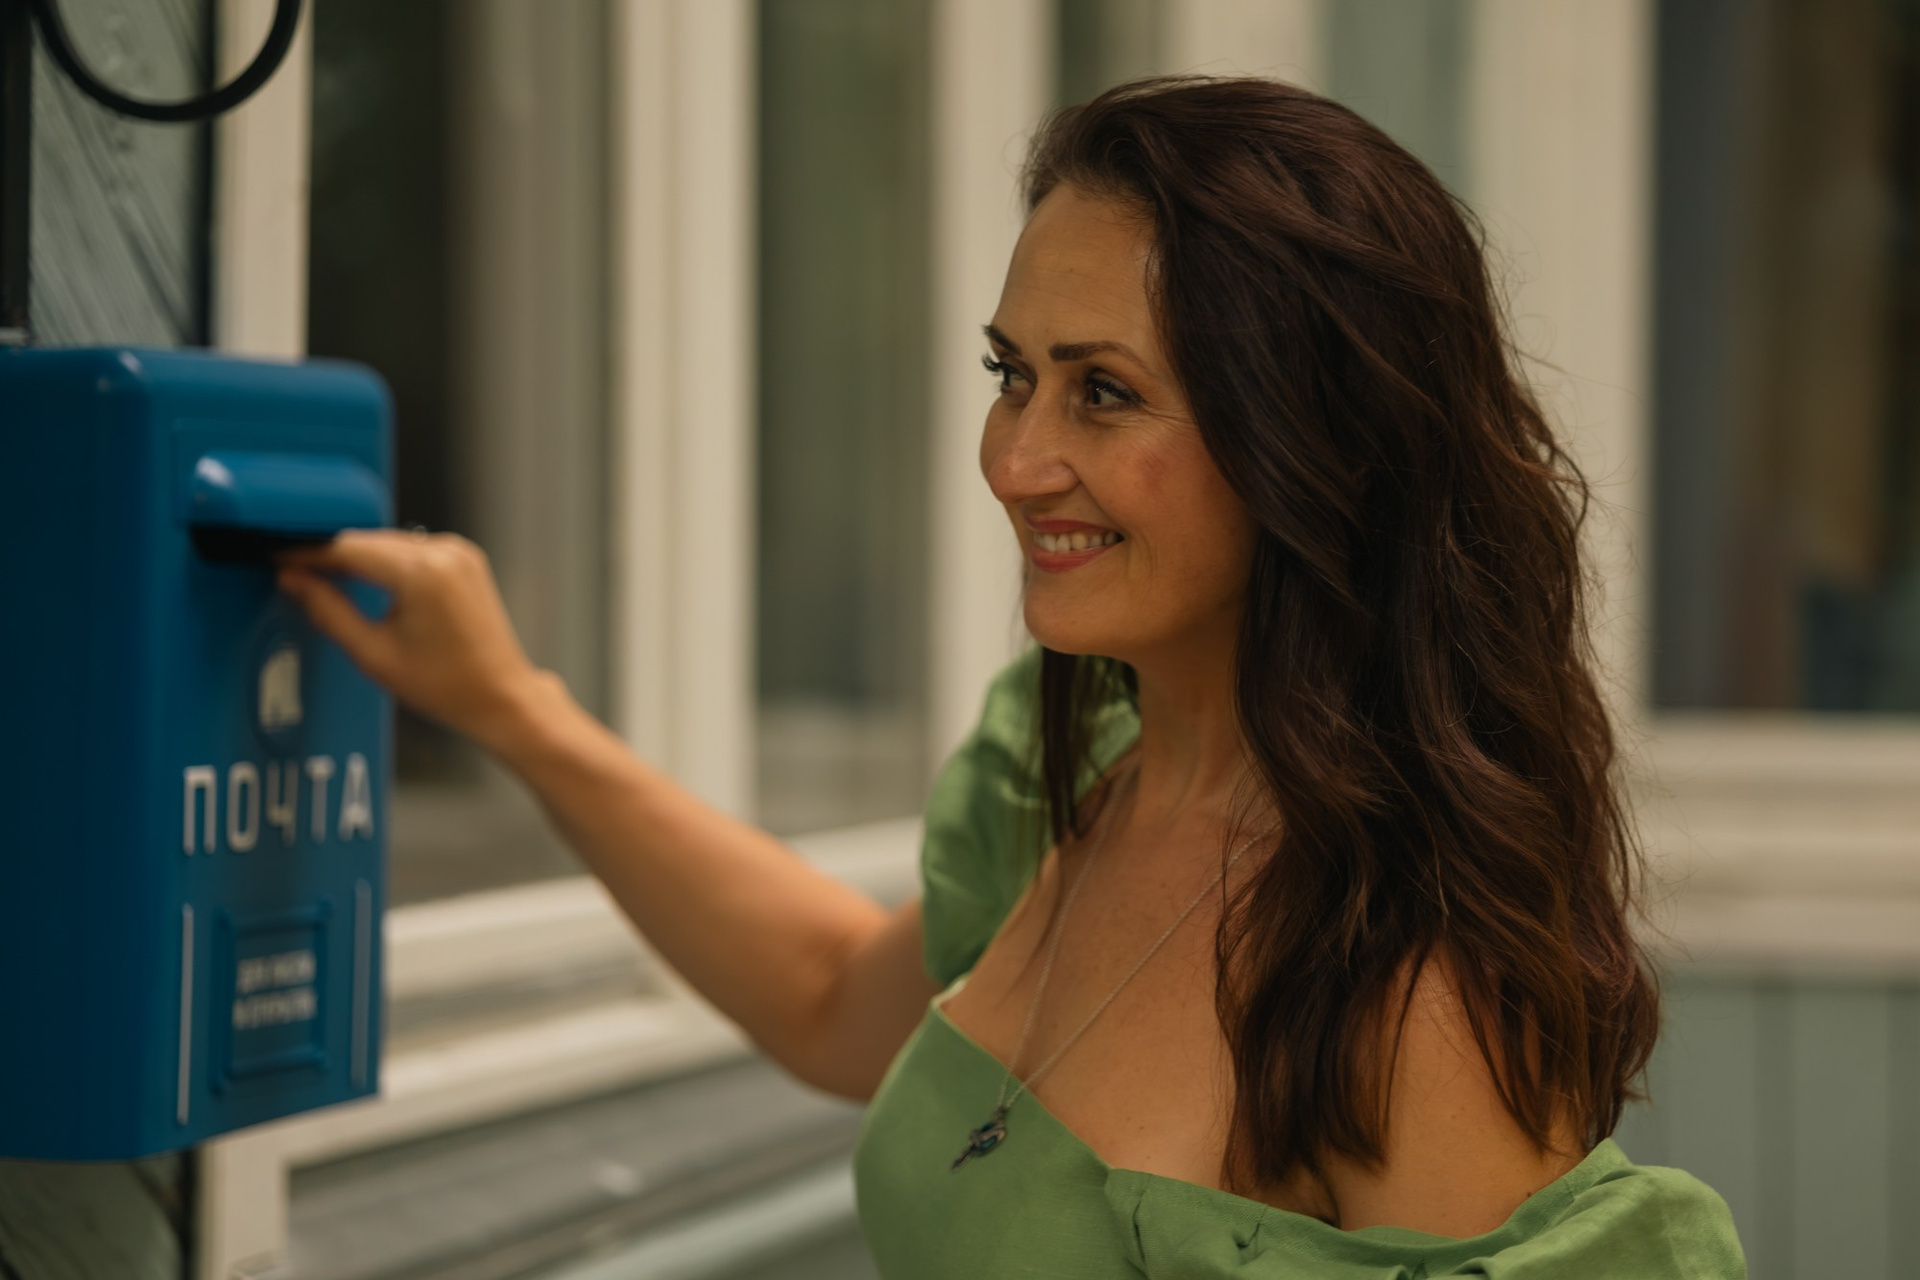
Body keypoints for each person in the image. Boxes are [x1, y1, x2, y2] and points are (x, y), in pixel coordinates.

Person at [280, 77, 1746, 1277]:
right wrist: (510, 710)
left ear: (1317, 443)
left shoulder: (1404, 978)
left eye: (1104, 392)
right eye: (1011, 375)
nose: (1015, 460)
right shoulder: (1083, 767)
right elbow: (829, 996)